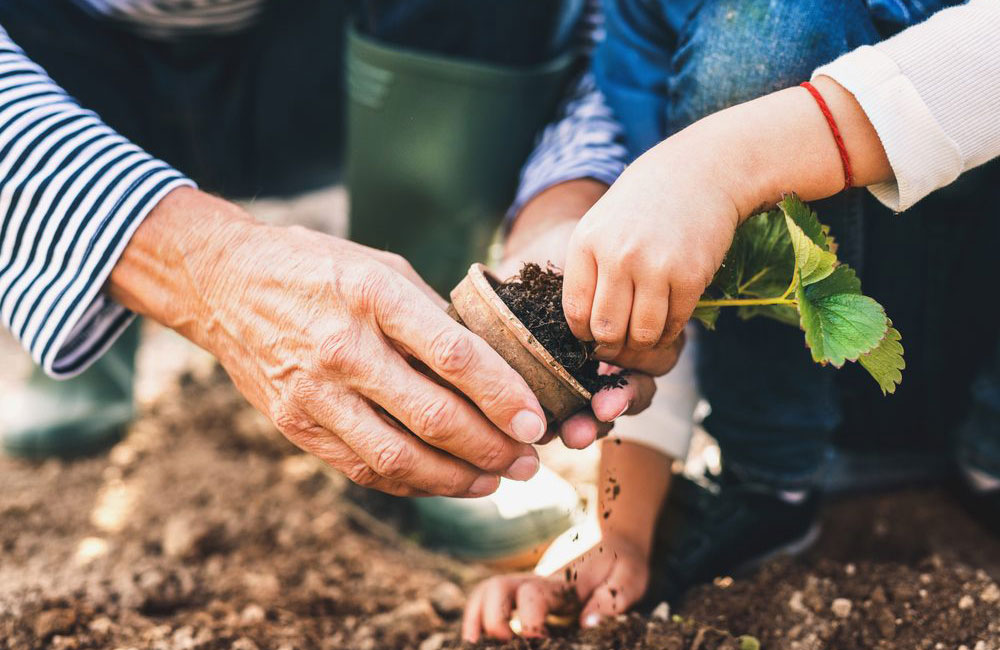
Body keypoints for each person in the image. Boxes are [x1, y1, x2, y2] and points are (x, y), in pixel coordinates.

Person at [462, 0, 1000, 640]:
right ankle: (770, 488)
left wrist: (724, 163)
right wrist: (620, 532)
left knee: (767, 28)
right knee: (757, 29)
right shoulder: (644, 20)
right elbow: (657, 255)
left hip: (971, 321)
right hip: (807, 422)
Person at [0, 0, 680, 497]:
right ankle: (78, 316)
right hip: (59, 55)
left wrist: (565, 199)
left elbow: (617, 24)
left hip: (336, 61)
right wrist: (200, 266)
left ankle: (424, 385)